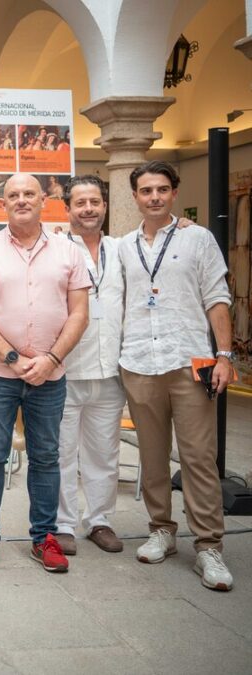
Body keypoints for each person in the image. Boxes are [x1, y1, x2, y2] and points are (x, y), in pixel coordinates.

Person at [0, 173, 90, 575]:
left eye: (28, 194)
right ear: (3, 204)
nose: (21, 200)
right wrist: (15, 359)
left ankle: (44, 538)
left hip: (49, 376)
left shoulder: (70, 252)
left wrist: (50, 360)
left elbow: (80, 315)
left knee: (47, 457)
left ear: (44, 200)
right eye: (13, 195)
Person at [118, 160, 235, 591]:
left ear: (174, 193)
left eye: (162, 190)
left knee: (199, 458)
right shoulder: (123, 246)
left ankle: (209, 547)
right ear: (134, 197)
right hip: (138, 361)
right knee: (151, 456)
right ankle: (162, 530)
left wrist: (223, 355)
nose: (154, 197)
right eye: (146, 190)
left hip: (192, 363)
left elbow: (217, 298)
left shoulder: (198, 238)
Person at [54, 175, 125, 555]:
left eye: (94, 202)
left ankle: (100, 520)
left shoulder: (123, 248)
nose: (88, 209)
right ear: (67, 209)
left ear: (105, 206)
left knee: (104, 453)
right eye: (80, 203)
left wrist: (182, 224)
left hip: (111, 369)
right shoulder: (54, 248)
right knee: (62, 453)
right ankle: (63, 523)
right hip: (66, 369)